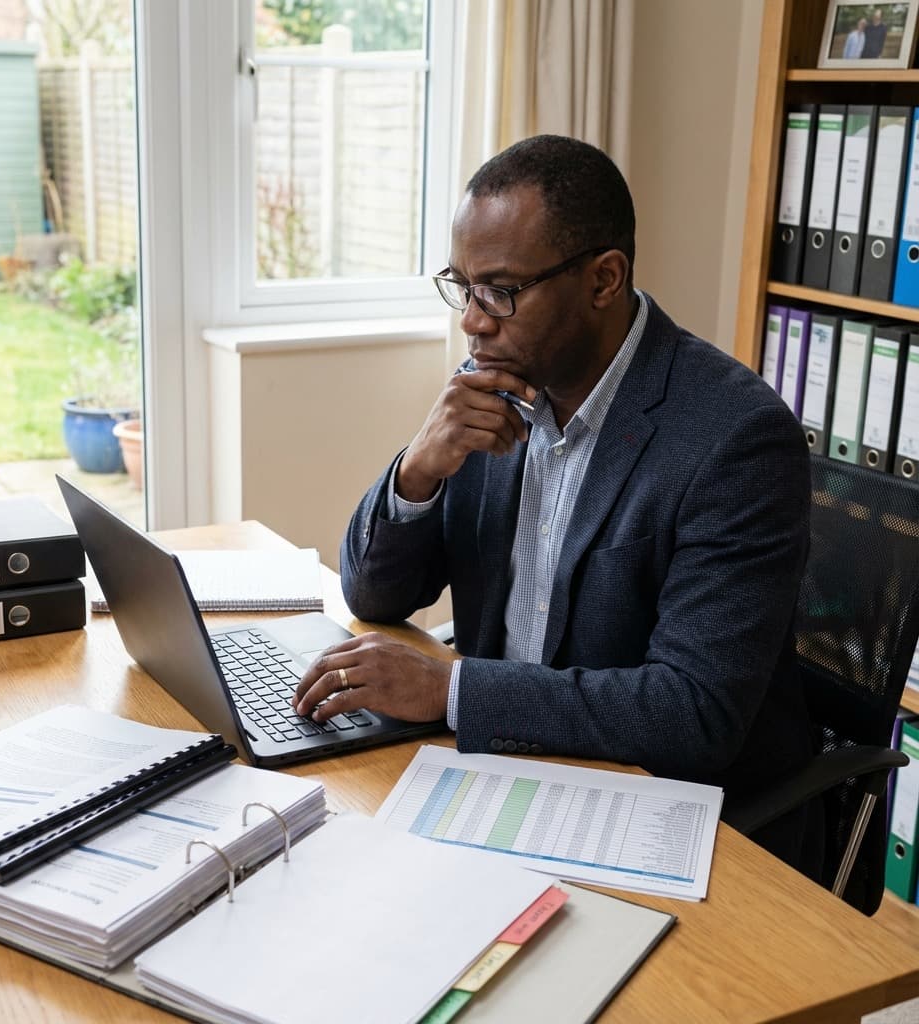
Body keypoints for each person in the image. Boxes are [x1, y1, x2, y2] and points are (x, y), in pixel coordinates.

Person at [293, 135, 818, 870]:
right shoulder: (494, 385)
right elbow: (376, 593)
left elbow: (693, 712)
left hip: (653, 814)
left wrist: (452, 688)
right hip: (500, 780)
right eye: (463, 286)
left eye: (501, 291)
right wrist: (420, 467)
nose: (474, 320)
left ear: (604, 279)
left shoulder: (735, 439)